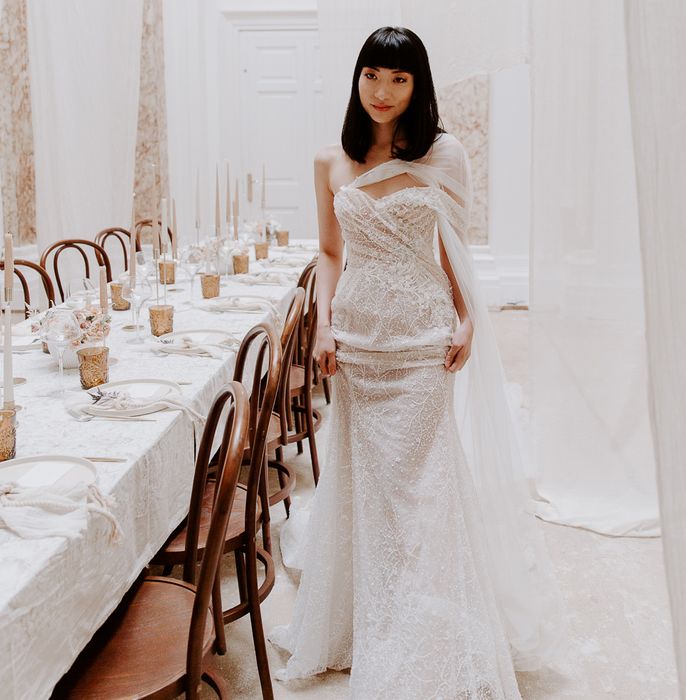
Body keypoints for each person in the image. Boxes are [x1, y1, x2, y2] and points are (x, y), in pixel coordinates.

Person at [270, 26, 562, 699]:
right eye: (372, 74)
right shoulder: (330, 160)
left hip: (422, 335)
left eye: (398, 79)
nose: (382, 90)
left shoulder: (444, 153)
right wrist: (323, 323)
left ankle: (430, 620)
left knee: (425, 484)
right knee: (362, 480)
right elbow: (331, 250)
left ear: (417, 85)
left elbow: (454, 243)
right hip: (358, 338)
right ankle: (366, 612)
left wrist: (465, 315)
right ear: (357, 78)